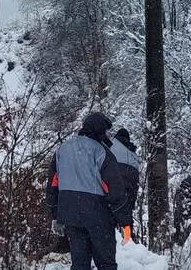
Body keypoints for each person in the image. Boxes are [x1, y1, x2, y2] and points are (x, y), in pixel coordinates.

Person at [46, 112, 133, 270]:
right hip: (97, 217)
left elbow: (53, 185)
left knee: (79, 263)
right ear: (100, 131)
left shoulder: (62, 150)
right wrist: (125, 220)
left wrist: (54, 214)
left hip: (70, 215)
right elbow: (115, 190)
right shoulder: (101, 152)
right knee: (105, 263)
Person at [109, 128, 141, 242]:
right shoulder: (132, 152)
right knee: (126, 214)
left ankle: (112, 240)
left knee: (110, 213)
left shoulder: (111, 145)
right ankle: (128, 239)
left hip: (115, 181)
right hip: (131, 184)